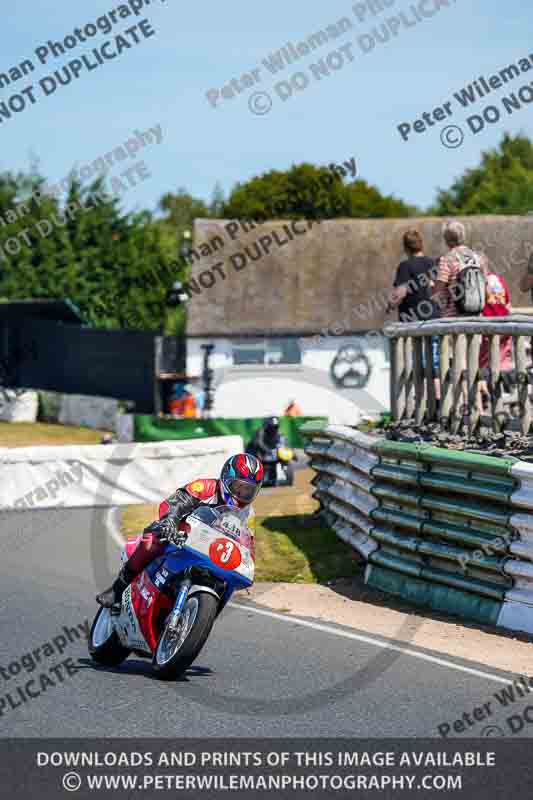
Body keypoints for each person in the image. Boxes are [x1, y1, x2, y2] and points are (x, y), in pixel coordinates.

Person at [96, 453, 264, 613]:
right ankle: (118, 588)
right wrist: (170, 521)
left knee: (229, 583)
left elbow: (247, 545)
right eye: (239, 487)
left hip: (212, 552)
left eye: (248, 491)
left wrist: (248, 566)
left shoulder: (247, 514)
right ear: (226, 479)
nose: (242, 494)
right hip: (181, 535)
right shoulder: (205, 487)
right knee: (152, 539)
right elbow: (175, 503)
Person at [388, 228, 441, 403]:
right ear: (421, 244)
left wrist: (390, 305)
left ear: (405, 247)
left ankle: (421, 403)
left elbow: (401, 293)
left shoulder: (405, 266)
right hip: (434, 318)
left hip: (413, 322)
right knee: (434, 363)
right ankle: (438, 401)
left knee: (416, 364)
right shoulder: (433, 263)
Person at [432, 220, 488, 318]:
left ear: (446, 240)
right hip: (476, 317)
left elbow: (438, 291)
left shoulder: (447, 259)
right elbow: (487, 286)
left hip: (454, 319)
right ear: (463, 237)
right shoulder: (477, 258)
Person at [478, 272, 513, 410]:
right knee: (501, 364)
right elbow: (508, 304)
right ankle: (503, 401)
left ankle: (484, 403)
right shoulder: (499, 280)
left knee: (481, 368)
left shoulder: (479, 281)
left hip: (488, 328)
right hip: (505, 325)